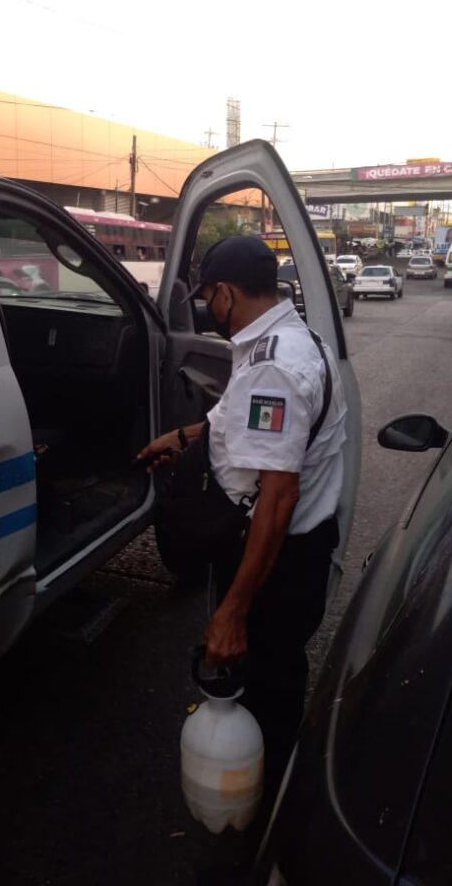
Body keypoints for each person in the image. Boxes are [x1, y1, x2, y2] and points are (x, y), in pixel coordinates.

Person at [138, 235, 347, 777]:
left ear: (226, 292)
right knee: (268, 681)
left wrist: (233, 610)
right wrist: (181, 438)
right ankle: (258, 792)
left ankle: (261, 827)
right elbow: (235, 422)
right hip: (290, 548)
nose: (208, 308)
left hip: (277, 559)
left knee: (265, 695)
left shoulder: (272, 371)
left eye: (208, 296)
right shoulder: (293, 338)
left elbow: (278, 499)